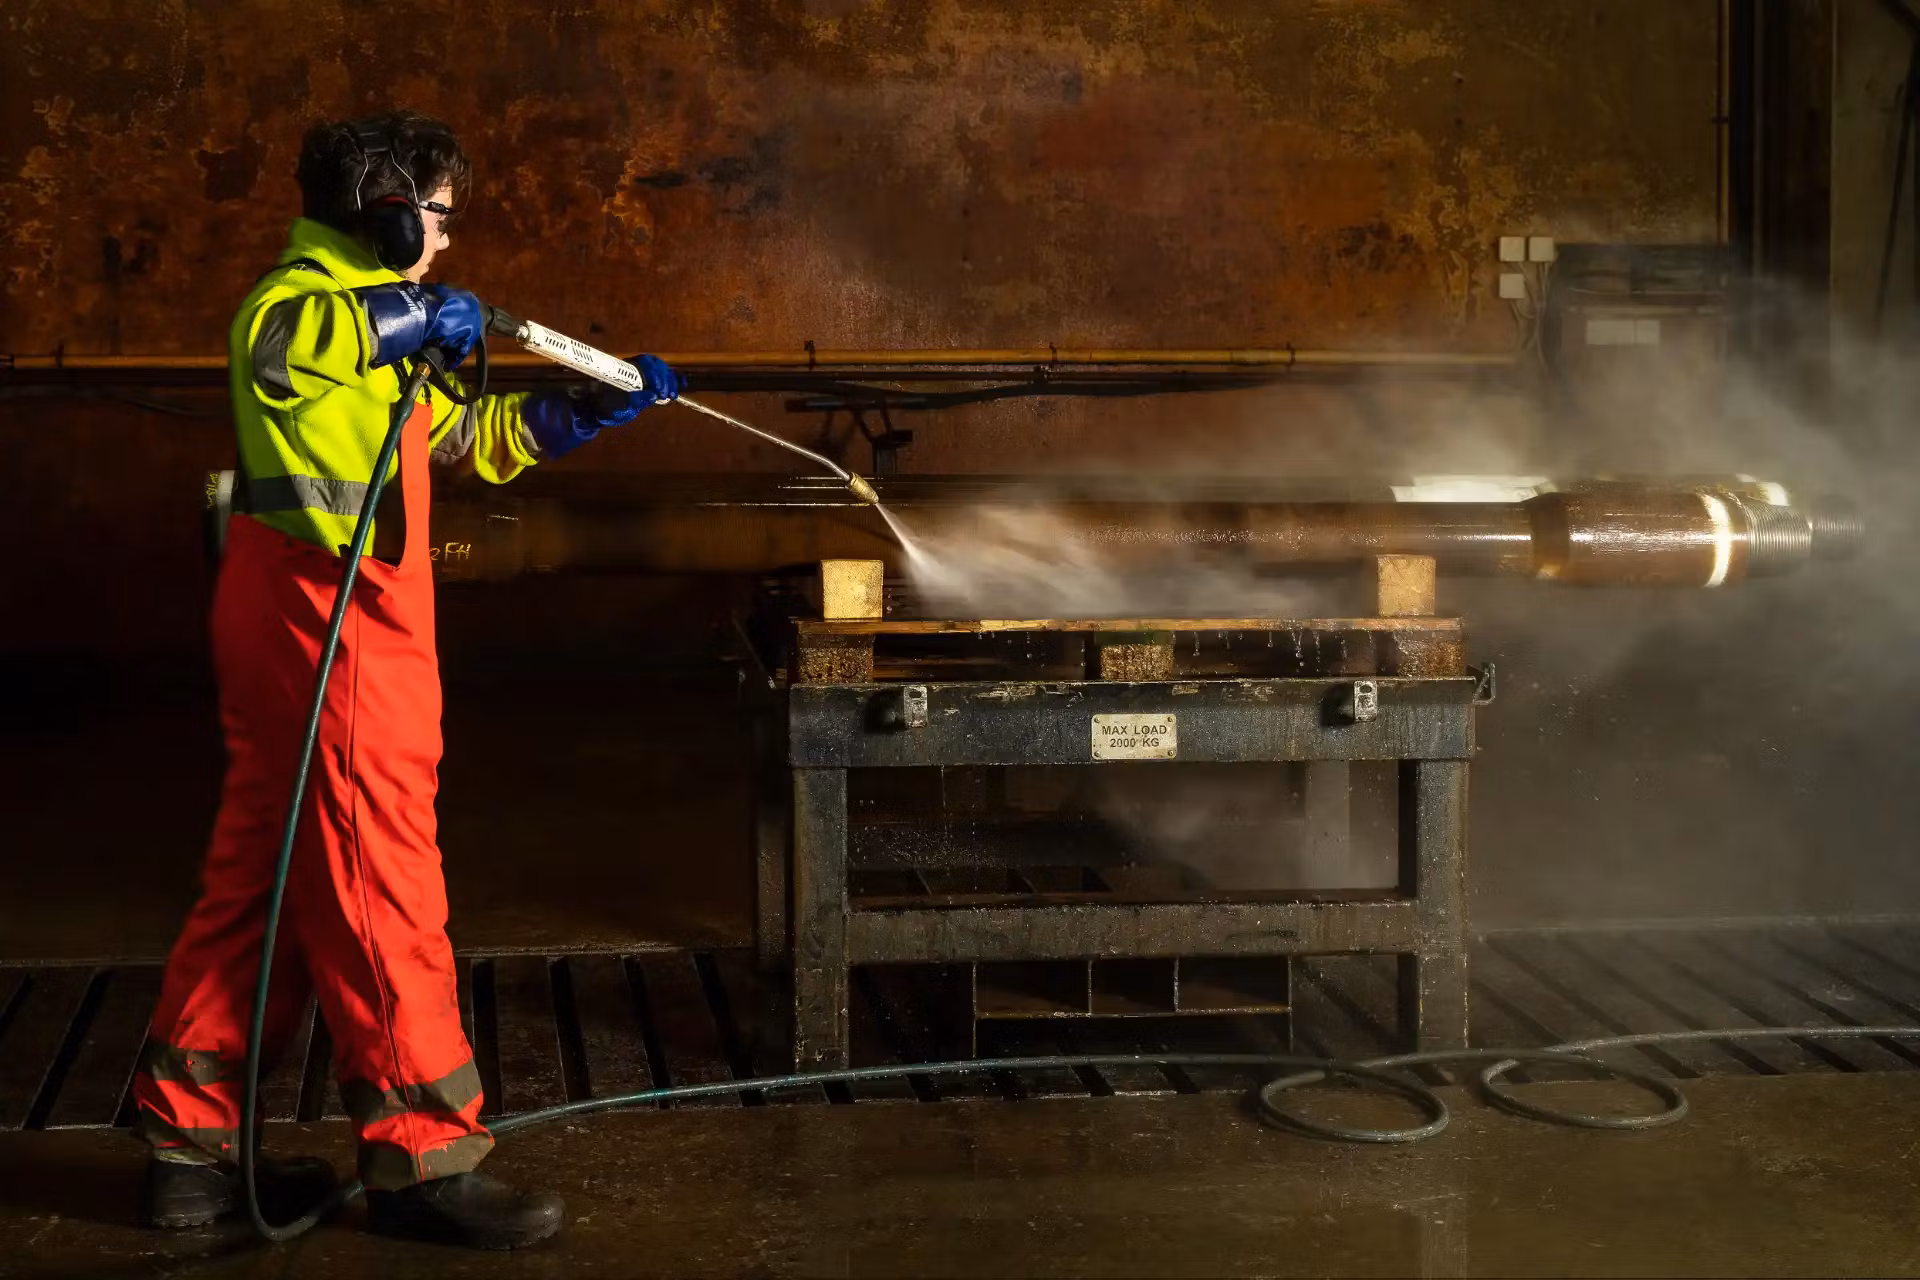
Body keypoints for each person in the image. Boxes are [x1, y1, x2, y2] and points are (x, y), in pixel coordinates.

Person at [130, 111, 679, 1250]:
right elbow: (287, 354)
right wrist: (406, 311)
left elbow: (449, 437)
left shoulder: (377, 329)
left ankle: (189, 1149)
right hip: (331, 635)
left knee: (265, 884)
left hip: (318, 626)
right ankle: (425, 1154)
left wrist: (574, 411)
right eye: (435, 214)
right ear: (385, 213)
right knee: (381, 881)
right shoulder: (301, 308)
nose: (443, 239)